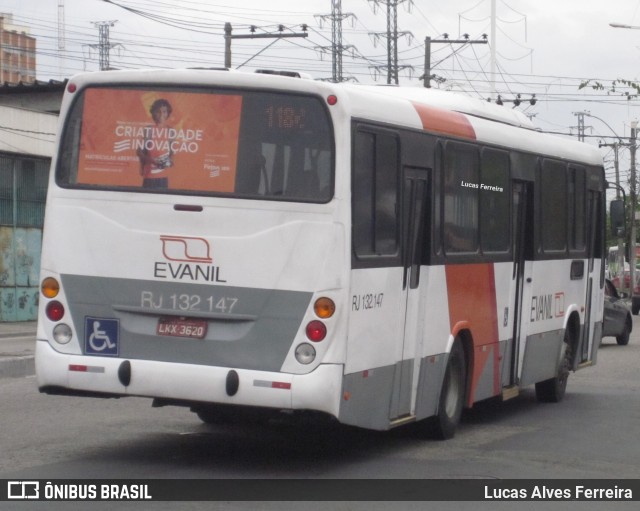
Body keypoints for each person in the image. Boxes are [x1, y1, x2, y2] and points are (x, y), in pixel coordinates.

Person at [137, 99, 174, 188]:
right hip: (150, 176)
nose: (161, 114)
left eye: (164, 111)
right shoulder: (149, 130)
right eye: (158, 112)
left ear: (168, 113)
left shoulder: (170, 131)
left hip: (163, 177)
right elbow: (139, 151)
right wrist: (151, 161)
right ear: (153, 113)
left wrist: (169, 160)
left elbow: (171, 151)